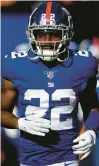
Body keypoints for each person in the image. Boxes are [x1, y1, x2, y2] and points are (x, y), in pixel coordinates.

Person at [1, 1, 99, 166]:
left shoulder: (83, 64)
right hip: (29, 160)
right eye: (41, 34)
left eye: (54, 34)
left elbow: (93, 106)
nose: (47, 41)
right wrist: (19, 122)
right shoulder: (14, 65)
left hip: (68, 159)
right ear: (31, 34)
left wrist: (90, 132)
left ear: (67, 34)